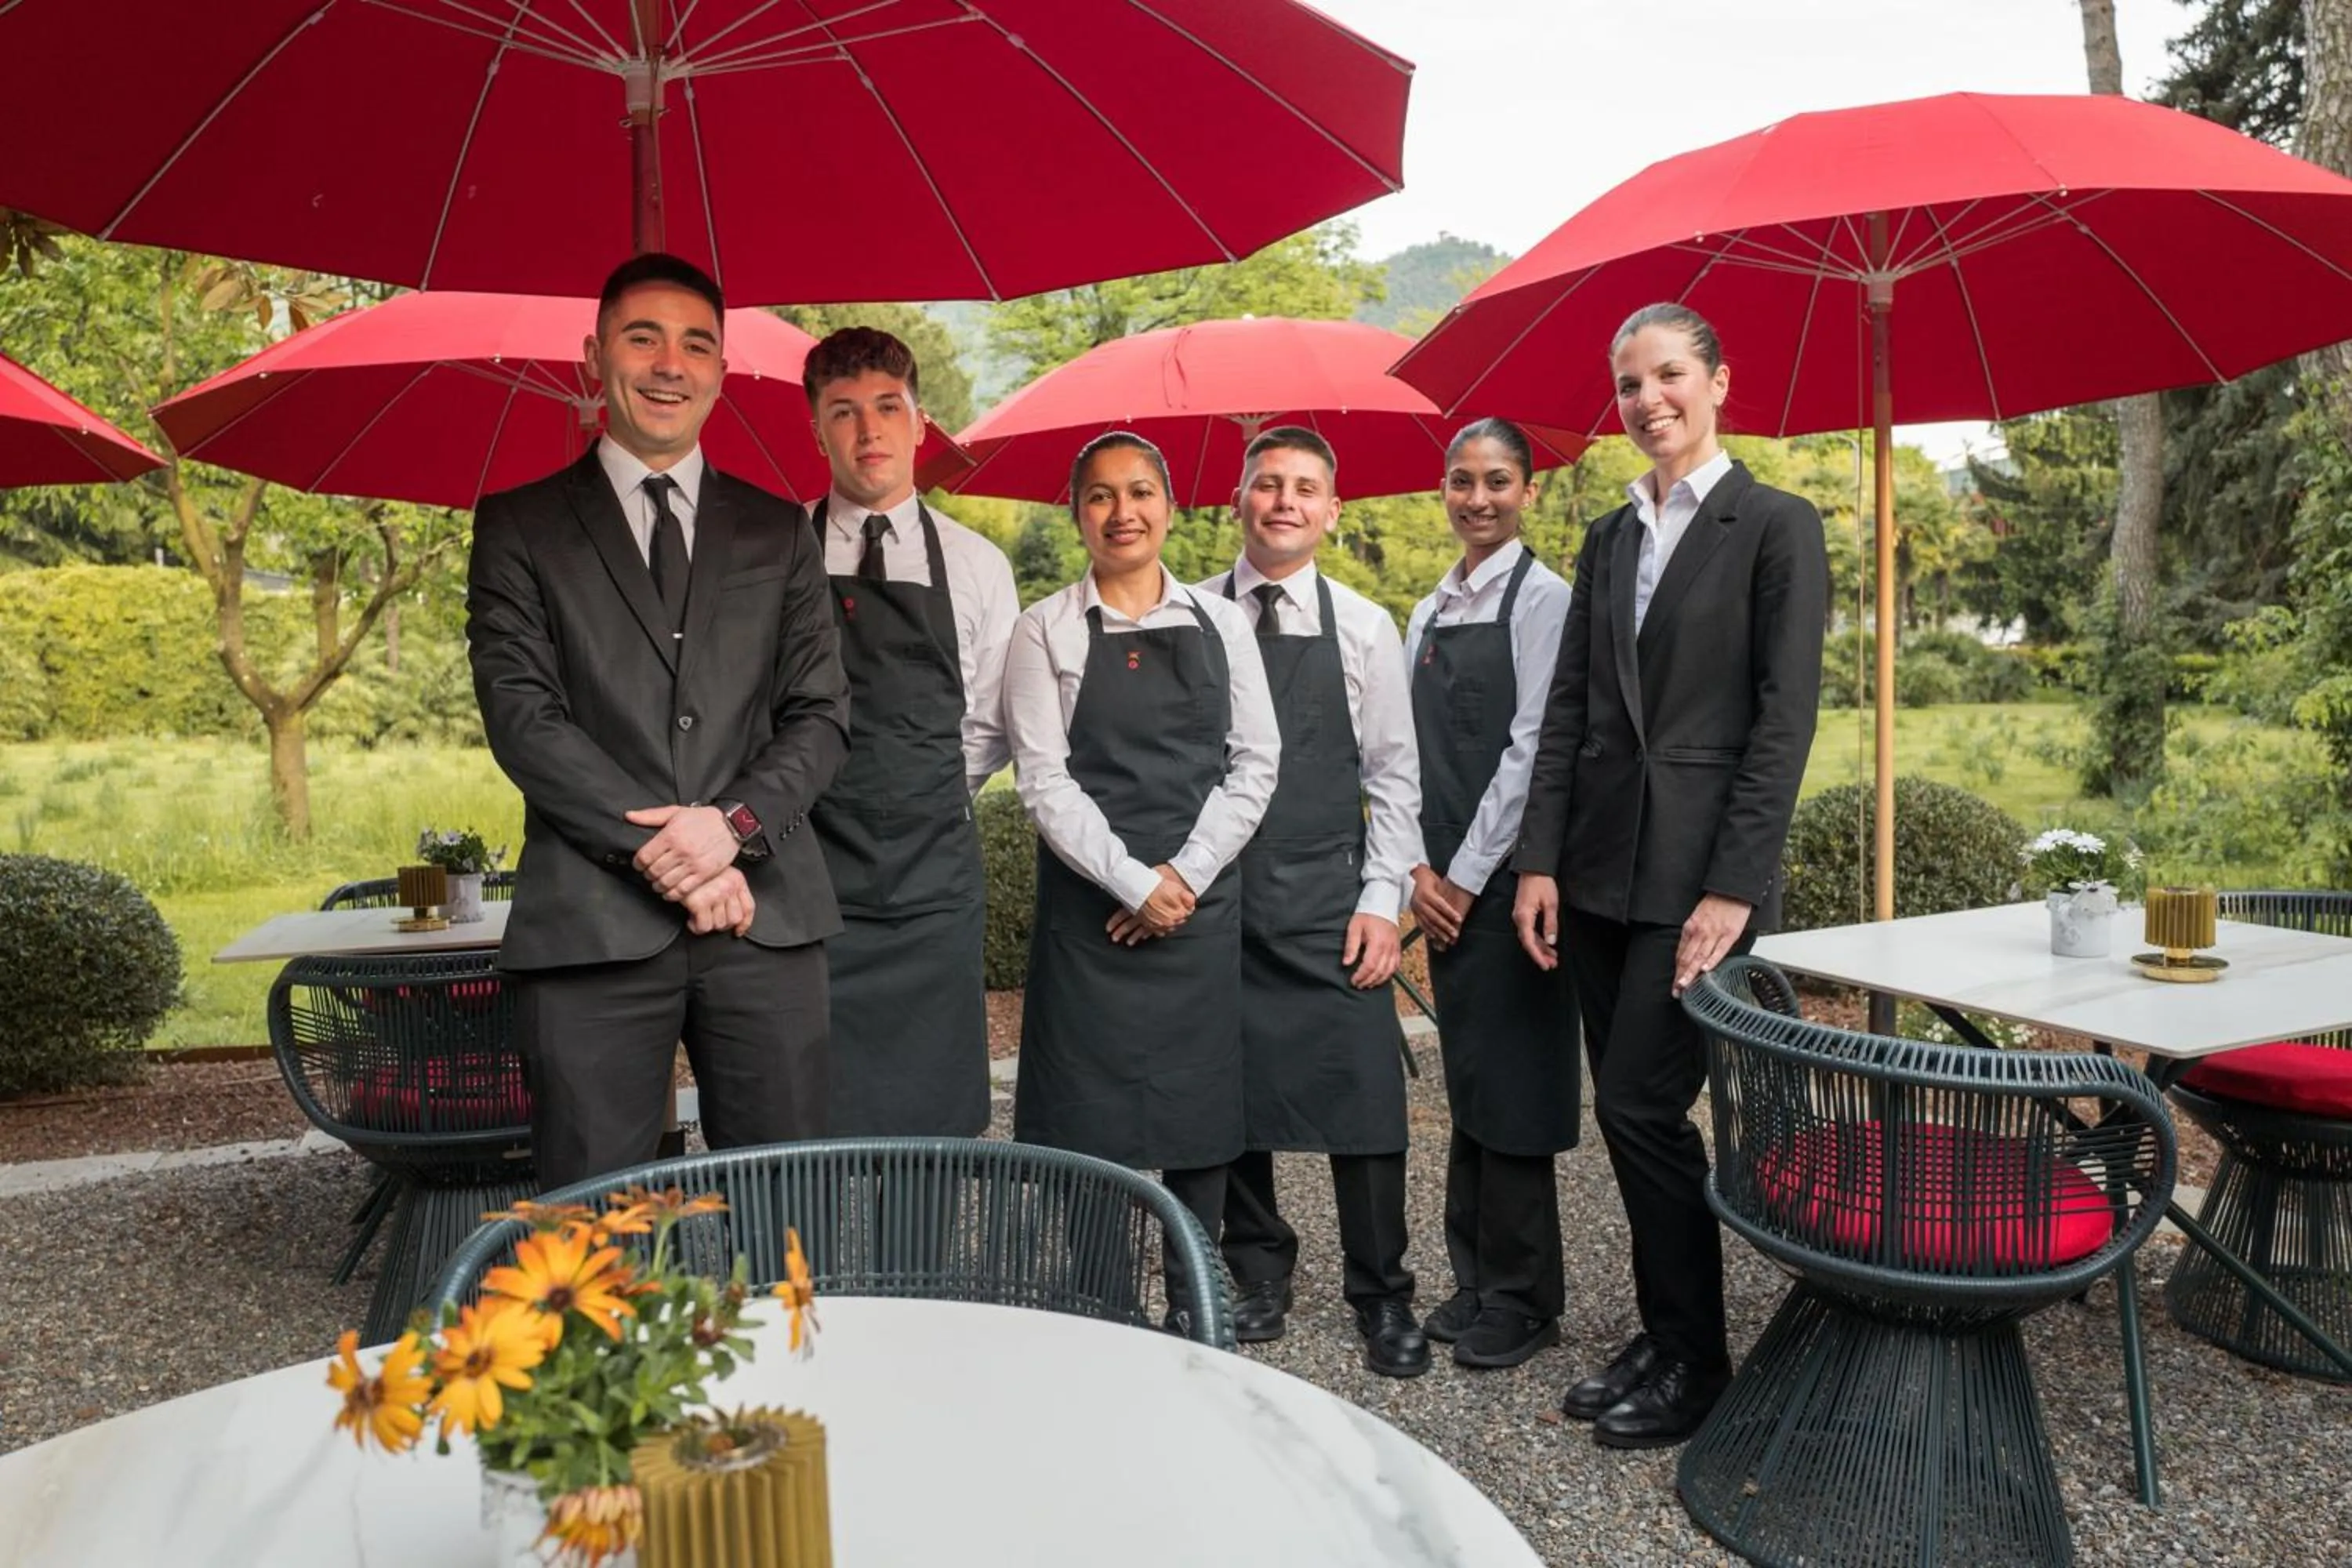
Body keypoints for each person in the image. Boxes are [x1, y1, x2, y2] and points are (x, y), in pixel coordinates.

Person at [1513, 302, 1828, 1449]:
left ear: (1719, 381)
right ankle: (1663, 1329)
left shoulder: (1775, 525)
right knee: (1629, 1112)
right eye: (1630, 383)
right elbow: (1569, 710)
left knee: (1643, 1102)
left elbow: (1783, 723)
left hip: (1701, 879)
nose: (1649, 400)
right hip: (1595, 871)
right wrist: (1539, 857)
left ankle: (1697, 1359)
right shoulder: (1606, 539)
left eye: (1669, 375)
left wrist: (1734, 890)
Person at [467, 252, 851, 1192]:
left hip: (764, 917)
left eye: (696, 344)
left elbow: (821, 713)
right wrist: (673, 855)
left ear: (721, 371)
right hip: (591, 927)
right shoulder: (519, 525)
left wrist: (732, 830)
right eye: (643, 338)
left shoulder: (776, 530)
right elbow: (524, 718)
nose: (669, 363)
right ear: (594, 358)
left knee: (788, 1212)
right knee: (593, 1234)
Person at [1004, 431, 1280, 1327]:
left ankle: (1196, 1309)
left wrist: (1182, 878)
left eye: (1140, 492)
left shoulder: (1222, 621)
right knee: (1084, 1124)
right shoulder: (1043, 627)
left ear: (1168, 504)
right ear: (1076, 509)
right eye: (1099, 496)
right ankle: (1102, 1308)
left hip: (1196, 906)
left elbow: (1256, 764)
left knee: (1198, 1120)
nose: (1122, 512)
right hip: (1089, 915)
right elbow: (1043, 779)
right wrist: (1130, 881)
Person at [1195, 426, 1427, 1377]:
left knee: (1367, 1101)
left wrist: (1383, 900)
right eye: (1266, 484)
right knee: (1228, 1097)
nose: (1283, 500)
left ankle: (1383, 1292)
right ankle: (1258, 1271)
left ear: (1333, 511)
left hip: (1333, 899)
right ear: (1238, 501)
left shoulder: (1369, 625)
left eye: (1303, 488)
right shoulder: (1191, 613)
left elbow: (1397, 777)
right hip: (1218, 901)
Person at [802, 327, 1018, 1137]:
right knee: (804, 1123)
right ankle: (810, 1272)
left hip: (933, 887)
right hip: (810, 882)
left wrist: (918, 790)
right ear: (815, 428)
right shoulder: (777, 552)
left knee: (930, 1128)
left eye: (887, 407)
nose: (869, 432)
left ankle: (920, 1270)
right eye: (845, 412)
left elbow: (993, 721)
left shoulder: (977, 564)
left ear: (919, 420)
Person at [1404, 416, 1579, 1370]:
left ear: (1530, 491)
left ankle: (1524, 1294)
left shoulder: (1544, 599)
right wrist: (1414, 873)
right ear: (1444, 487)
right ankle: (1474, 1277)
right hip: (1440, 882)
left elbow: (1532, 751)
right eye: (1463, 480)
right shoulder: (1428, 609)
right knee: (1472, 1078)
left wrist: (1465, 877)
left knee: (1515, 1082)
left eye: (1499, 480)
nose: (1479, 497)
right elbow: (1405, 755)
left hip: (1513, 883)